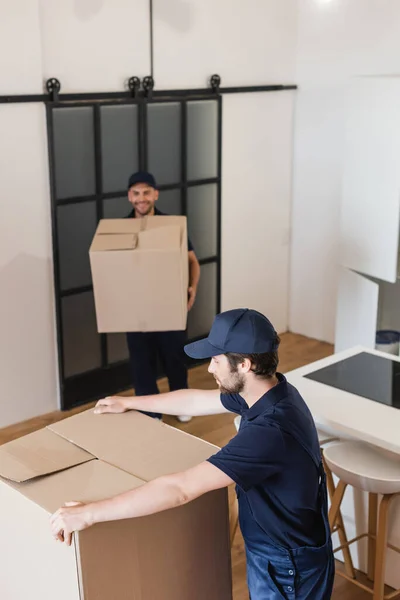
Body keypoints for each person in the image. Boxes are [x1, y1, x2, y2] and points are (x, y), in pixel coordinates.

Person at [50, 308, 335, 599]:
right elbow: (195, 401)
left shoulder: (270, 432)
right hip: (283, 550)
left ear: (245, 365)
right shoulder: (272, 391)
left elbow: (180, 489)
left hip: (288, 569)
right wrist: (130, 403)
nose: (210, 368)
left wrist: (88, 513)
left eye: (215, 360)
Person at [125, 171, 200, 422]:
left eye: (146, 192)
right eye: (136, 193)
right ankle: (150, 411)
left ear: (155, 194)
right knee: (141, 363)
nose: (141, 198)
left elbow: (192, 261)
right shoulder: (119, 230)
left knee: (175, 358)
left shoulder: (172, 225)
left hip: (169, 306)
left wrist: (193, 288)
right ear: (129, 197)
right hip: (136, 310)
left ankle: (181, 405)